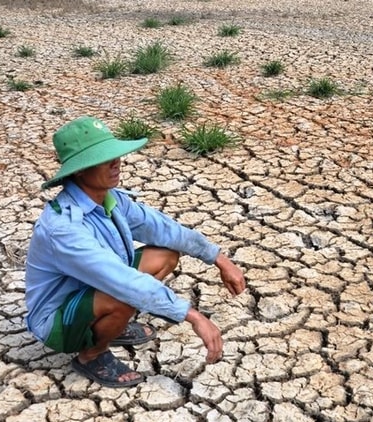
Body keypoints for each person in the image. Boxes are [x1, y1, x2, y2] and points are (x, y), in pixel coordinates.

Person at [25, 116, 246, 387]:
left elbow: (164, 229)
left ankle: (111, 326)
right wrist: (193, 316)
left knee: (165, 254)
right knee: (124, 295)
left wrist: (219, 259)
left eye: (115, 155)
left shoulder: (111, 199)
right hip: (57, 318)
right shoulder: (64, 229)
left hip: (92, 290)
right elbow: (122, 281)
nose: (116, 163)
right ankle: (91, 355)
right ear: (79, 170)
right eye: (103, 158)